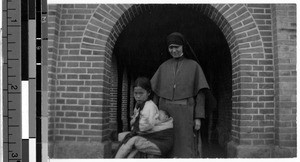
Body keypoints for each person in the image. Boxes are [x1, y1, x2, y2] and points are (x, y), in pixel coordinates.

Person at [151, 32, 209, 158]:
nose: (173, 50)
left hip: (185, 115)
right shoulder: (163, 66)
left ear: (183, 47)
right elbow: (156, 93)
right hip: (164, 114)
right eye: (171, 47)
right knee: (166, 146)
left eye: (176, 47)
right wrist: (153, 112)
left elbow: (200, 94)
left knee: (185, 147)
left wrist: (198, 117)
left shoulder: (194, 66)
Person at [114, 77, 174, 158]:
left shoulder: (149, 106)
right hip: (149, 137)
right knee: (127, 138)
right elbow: (136, 121)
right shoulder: (139, 105)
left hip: (160, 142)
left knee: (131, 140)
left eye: (141, 93)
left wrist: (135, 125)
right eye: (135, 93)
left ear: (148, 92)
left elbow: (146, 126)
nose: (138, 96)